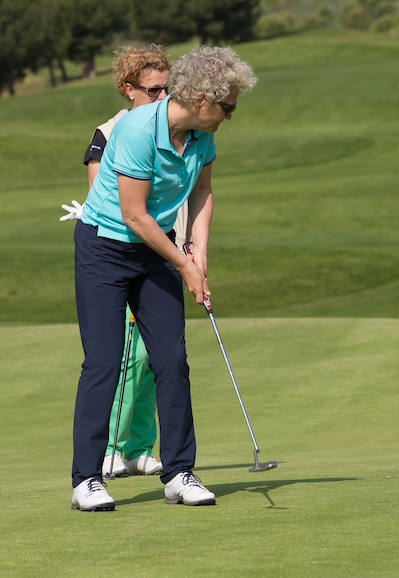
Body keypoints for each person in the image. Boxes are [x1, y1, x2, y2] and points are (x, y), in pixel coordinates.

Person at [70, 46, 256, 511]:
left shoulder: (201, 135)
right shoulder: (135, 129)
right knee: (105, 361)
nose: (230, 116)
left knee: (171, 359)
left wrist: (199, 251)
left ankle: (178, 472)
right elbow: (134, 215)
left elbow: (203, 190)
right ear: (198, 97)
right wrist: (184, 264)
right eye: (226, 106)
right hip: (105, 248)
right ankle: (87, 479)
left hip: (154, 254)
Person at [64, 44, 173, 479]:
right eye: (153, 90)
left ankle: (138, 446)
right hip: (118, 252)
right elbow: (105, 201)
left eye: (170, 88)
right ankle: (110, 446)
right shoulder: (108, 132)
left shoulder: (174, 128)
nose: (163, 98)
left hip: (163, 251)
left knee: (155, 358)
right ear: (129, 89)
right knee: (119, 358)